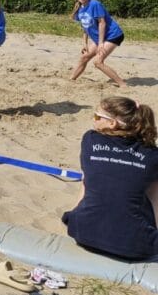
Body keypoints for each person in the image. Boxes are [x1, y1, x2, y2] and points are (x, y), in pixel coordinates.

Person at [62, 96, 158, 262]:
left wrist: (75, 217)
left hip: (82, 233)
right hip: (134, 247)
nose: (94, 120)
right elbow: (155, 199)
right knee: (145, 191)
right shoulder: (152, 154)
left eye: (97, 117)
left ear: (112, 124)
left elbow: (86, 185)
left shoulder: (90, 140)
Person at [70, 0, 127, 87]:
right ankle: (71, 79)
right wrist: (85, 43)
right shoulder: (79, 9)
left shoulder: (95, 4)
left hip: (113, 35)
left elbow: (102, 23)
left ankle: (123, 84)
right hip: (101, 37)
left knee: (97, 62)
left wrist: (100, 43)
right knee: (84, 57)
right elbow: (85, 27)